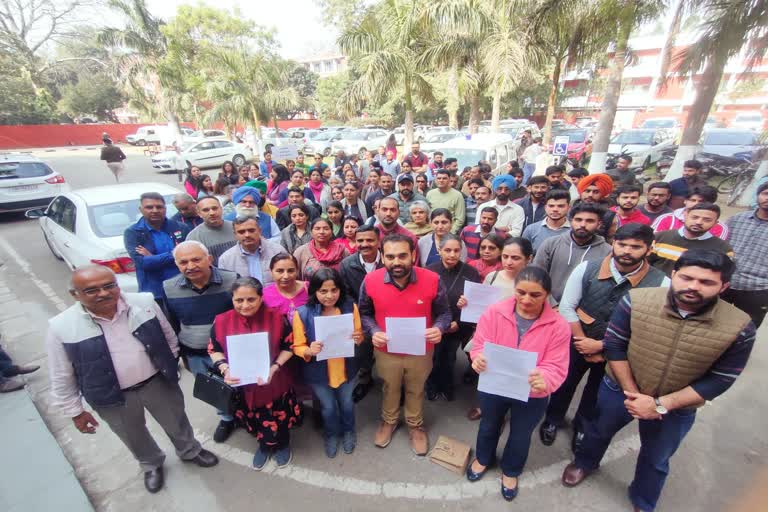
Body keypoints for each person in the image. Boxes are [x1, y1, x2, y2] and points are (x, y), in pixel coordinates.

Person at [561, 251, 756, 512]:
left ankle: (643, 499)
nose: (693, 287)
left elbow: (721, 379)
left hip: (677, 406)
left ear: (724, 286)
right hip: (621, 389)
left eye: (706, 282)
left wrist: (660, 404)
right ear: (674, 275)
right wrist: (632, 395)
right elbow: (616, 346)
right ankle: (584, 463)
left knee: (656, 457)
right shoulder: (637, 301)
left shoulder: (739, 327)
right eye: (687, 277)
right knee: (597, 431)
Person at [47, 266, 218, 493]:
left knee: (176, 420)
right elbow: (60, 374)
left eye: (109, 286)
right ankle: (151, 464)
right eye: (92, 290)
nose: (104, 293)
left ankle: (190, 450)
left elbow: (168, 336)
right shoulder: (61, 326)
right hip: (111, 395)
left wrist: (169, 364)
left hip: (156, 382)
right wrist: (75, 411)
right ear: (75, 294)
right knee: (131, 433)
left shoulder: (143, 302)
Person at [540, 224, 668, 451]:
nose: (627, 251)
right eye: (622, 244)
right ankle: (552, 420)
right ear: (613, 244)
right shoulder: (587, 268)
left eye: (636, 247)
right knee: (564, 383)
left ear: (649, 249)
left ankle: (581, 426)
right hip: (577, 341)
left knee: (596, 391)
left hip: (620, 352)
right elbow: (568, 307)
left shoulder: (661, 283)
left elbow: (649, 327)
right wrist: (581, 342)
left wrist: (600, 346)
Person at [467, 266, 570, 501]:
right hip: (494, 385)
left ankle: (511, 470)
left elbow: (557, 365)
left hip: (532, 393)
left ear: (547, 295)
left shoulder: (559, 326)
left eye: (535, 295)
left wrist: (544, 379)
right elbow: (480, 344)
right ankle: (483, 459)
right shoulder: (494, 312)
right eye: (521, 292)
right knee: (489, 425)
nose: (526, 300)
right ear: (514, 289)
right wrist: (478, 359)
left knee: (521, 434)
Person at [358, 234, 452, 455]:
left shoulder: (432, 279)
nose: (396, 262)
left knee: (416, 388)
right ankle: (389, 420)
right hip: (386, 350)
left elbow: (445, 312)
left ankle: (415, 424)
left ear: (413, 255)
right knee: (389, 386)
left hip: (421, 350)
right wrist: (373, 330)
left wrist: (439, 328)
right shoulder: (370, 281)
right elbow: (363, 313)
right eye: (390, 256)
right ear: (382, 256)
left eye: (402, 255)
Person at [210, 277, 301, 470]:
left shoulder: (276, 318)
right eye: (239, 300)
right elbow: (213, 348)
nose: (245, 305)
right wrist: (225, 368)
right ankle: (264, 446)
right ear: (232, 299)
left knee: (280, 418)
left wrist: (274, 367)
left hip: (275, 383)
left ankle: (283, 445)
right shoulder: (221, 321)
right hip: (243, 386)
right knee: (255, 419)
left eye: (251, 299)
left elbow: (289, 346)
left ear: (261, 298)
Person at [162, 241, 238, 441]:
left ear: (209, 259)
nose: (190, 266)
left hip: (229, 350)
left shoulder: (231, 280)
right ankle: (226, 418)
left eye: (196, 259)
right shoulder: (169, 287)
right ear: (177, 265)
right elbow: (171, 323)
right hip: (194, 352)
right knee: (213, 389)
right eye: (183, 262)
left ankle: (245, 415)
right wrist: (181, 354)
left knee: (239, 385)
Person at [292, 269, 365, 457]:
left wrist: (358, 338)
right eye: (323, 291)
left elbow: (359, 336)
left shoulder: (350, 307)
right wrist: (309, 350)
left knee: (347, 404)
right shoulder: (302, 313)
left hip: (346, 368)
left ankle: (349, 432)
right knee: (328, 407)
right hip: (319, 373)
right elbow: (297, 346)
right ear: (314, 291)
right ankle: (331, 435)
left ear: (340, 289)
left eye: (334, 290)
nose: (329, 296)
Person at [426, 233, 481, 401]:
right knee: (433, 358)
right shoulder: (429, 271)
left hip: (458, 325)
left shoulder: (471, 272)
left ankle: (447, 386)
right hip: (435, 325)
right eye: (447, 250)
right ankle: (432, 386)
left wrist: (459, 322)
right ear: (439, 250)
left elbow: (475, 304)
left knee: (450, 357)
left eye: (456, 250)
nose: (452, 255)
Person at [532, 202, 612, 304]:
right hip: (548, 306)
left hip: (583, 313)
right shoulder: (551, 243)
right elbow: (537, 276)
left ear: (599, 224)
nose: (583, 225)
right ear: (571, 221)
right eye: (578, 220)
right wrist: (552, 304)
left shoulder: (607, 251)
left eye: (590, 221)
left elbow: (603, 288)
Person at [339, 225, 384, 402]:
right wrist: (360, 312)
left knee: (390, 351)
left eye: (369, 240)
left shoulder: (388, 261)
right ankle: (365, 379)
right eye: (360, 240)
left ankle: (393, 384)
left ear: (378, 241)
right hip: (360, 316)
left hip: (387, 315)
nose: (365, 244)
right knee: (362, 351)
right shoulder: (347, 265)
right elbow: (345, 294)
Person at [124, 193, 190, 302]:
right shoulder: (133, 233)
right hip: (155, 293)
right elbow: (143, 263)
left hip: (183, 288)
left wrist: (153, 257)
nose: (155, 210)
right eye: (149, 207)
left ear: (165, 209)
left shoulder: (180, 227)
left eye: (159, 207)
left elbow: (190, 256)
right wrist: (176, 253)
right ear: (141, 209)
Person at [722, 181, 768, 328]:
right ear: (758, 195)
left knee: (745, 329)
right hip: (724, 283)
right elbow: (721, 246)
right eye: (765, 194)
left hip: (758, 288)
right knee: (711, 324)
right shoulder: (737, 219)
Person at [649, 202, 734, 276]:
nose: (699, 222)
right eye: (695, 217)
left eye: (707, 220)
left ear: (715, 223)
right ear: (685, 215)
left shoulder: (723, 249)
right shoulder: (660, 237)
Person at [218, 216, 287, 285]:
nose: (247, 235)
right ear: (235, 235)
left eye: (251, 230)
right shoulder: (225, 260)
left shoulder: (278, 251)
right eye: (241, 232)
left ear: (259, 231)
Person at [651, 185, 729, 240]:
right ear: (685, 201)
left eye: (701, 202)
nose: (696, 204)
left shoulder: (719, 227)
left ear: (711, 204)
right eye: (693, 200)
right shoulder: (666, 218)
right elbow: (652, 241)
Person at [186, 197, 236, 266]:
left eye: (215, 208)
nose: (212, 213)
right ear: (199, 213)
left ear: (221, 209)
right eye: (206, 210)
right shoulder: (194, 237)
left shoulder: (236, 228)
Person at [262, 253, 309, 322]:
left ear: (297, 271)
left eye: (290, 271)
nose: (286, 276)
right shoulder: (264, 295)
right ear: (271, 272)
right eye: (280, 271)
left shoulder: (308, 289)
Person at [574, 173, 618, 244]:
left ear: (602, 194)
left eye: (596, 192)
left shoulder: (609, 216)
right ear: (581, 192)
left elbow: (611, 239)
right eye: (587, 191)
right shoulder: (571, 209)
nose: (590, 195)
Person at [427, 169, 466, 234]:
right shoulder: (430, 194)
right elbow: (428, 215)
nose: (441, 180)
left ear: (449, 180)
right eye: (439, 178)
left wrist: (451, 232)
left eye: (444, 178)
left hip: (450, 232)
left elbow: (460, 218)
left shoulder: (457, 195)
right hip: (433, 232)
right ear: (435, 180)